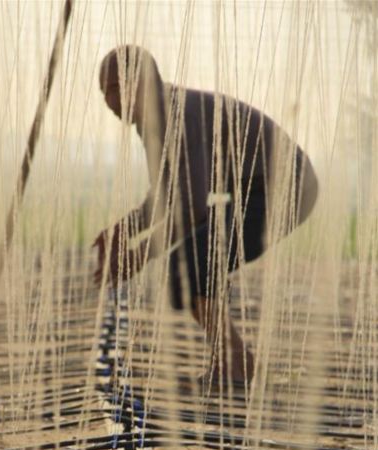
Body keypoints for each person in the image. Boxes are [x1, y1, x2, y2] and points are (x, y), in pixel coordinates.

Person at [93, 45, 318, 390]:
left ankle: (236, 366)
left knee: (191, 263)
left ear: (140, 80)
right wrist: (125, 228)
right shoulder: (153, 120)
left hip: (285, 189)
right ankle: (235, 363)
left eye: (114, 87)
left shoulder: (174, 111)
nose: (109, 101)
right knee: (187, 269)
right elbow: (168, 194)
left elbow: (192, 205)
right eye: (104, 91)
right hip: (252, 194)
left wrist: (139, 253)